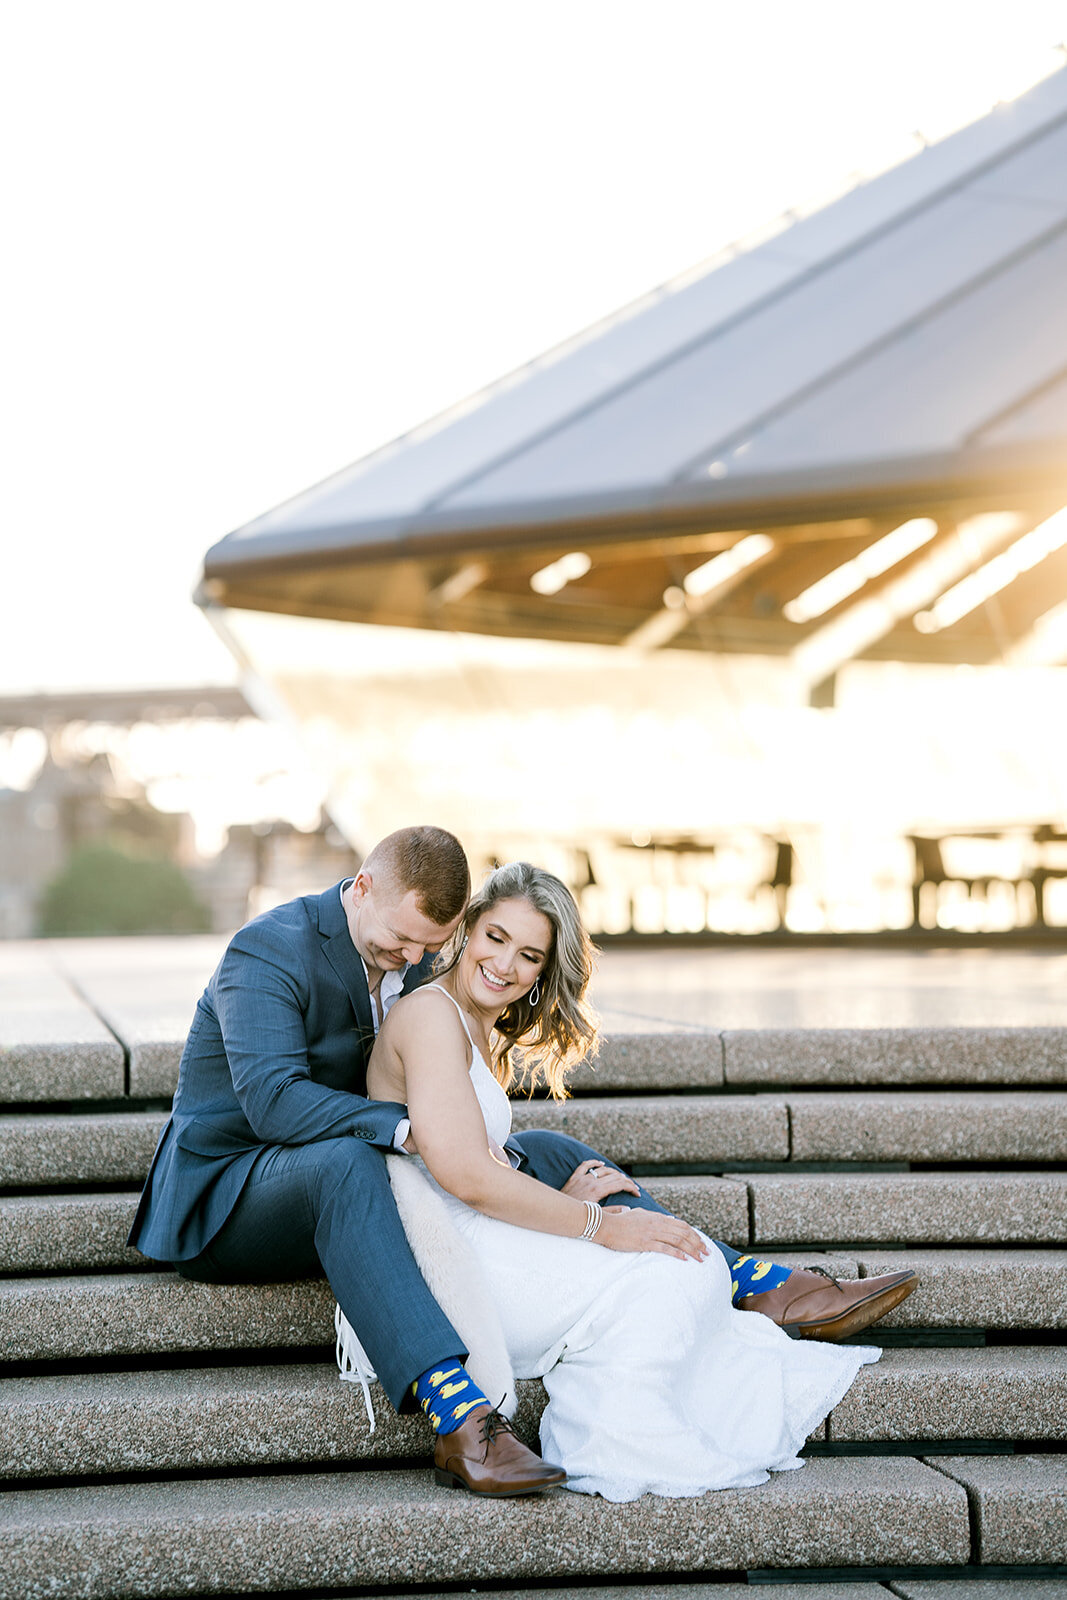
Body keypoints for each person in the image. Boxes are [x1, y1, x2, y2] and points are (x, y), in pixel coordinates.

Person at [128, 826, 913, 1497]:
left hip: (346, 1167)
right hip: (233, 1189)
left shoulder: (409, 956)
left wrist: (474, 1141)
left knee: (540, 1149)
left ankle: (752, 1281)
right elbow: (273, 1104)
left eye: (428, 947)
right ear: (360, 887)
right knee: (351, 1162)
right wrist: (420, 1130)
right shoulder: (266, 952)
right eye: (398, 942)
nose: (409, 958)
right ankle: (457, 1416)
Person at [366, 861, 893, 1501]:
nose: (505, 965)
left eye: (529, 955)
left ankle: (754, 1293)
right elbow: (463, 1176)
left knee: (682, 1263)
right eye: (496, 938)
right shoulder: (430, 1016)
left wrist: (562, 1203)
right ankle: (618, 1437)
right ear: (469, 927)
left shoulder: (477, 1021)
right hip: (457, 1265)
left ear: (543, 972)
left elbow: (470, 1163)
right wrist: (601, 1225)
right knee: (669, 1271)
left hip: (482, 1233)